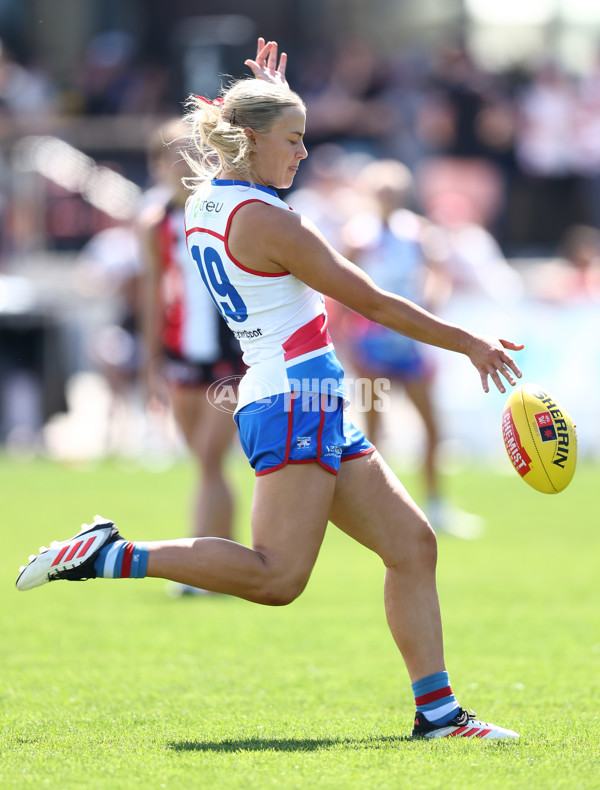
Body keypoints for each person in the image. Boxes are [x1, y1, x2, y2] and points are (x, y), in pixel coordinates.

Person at [16, 39, 523, 740]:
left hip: (301, 397)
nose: (305, 154)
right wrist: (468, 342)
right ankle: (111, 553)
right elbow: (372, 301)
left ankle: (438, 714)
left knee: (413, 545)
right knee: (278, 579)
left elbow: (245, 160)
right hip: (294, 400)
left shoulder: (208, 201)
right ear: (250, 140)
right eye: (293, 139)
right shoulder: (267, 221)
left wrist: (267, 100)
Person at [339, 158, 482, 538]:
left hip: (410, 341)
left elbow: (438, 273)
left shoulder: (418, 232)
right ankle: (373, 507)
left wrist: (431, 302)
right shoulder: (358, 234)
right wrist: (345, 337)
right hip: (370, 342)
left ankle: (436, 502)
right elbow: (339, 289)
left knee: (432, 424)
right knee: (373, 428)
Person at [139, 118, 245, 595]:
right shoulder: (154, 221)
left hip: (233, 354)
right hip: (181, 352)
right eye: (170, 155)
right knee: (206, 464)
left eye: (190, 153)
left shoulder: (225, 210)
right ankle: (230, 559)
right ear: (155, 164)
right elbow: (150, 292)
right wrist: (150, 358)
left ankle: (202, 570)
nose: (180, 163)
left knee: (208, 456)